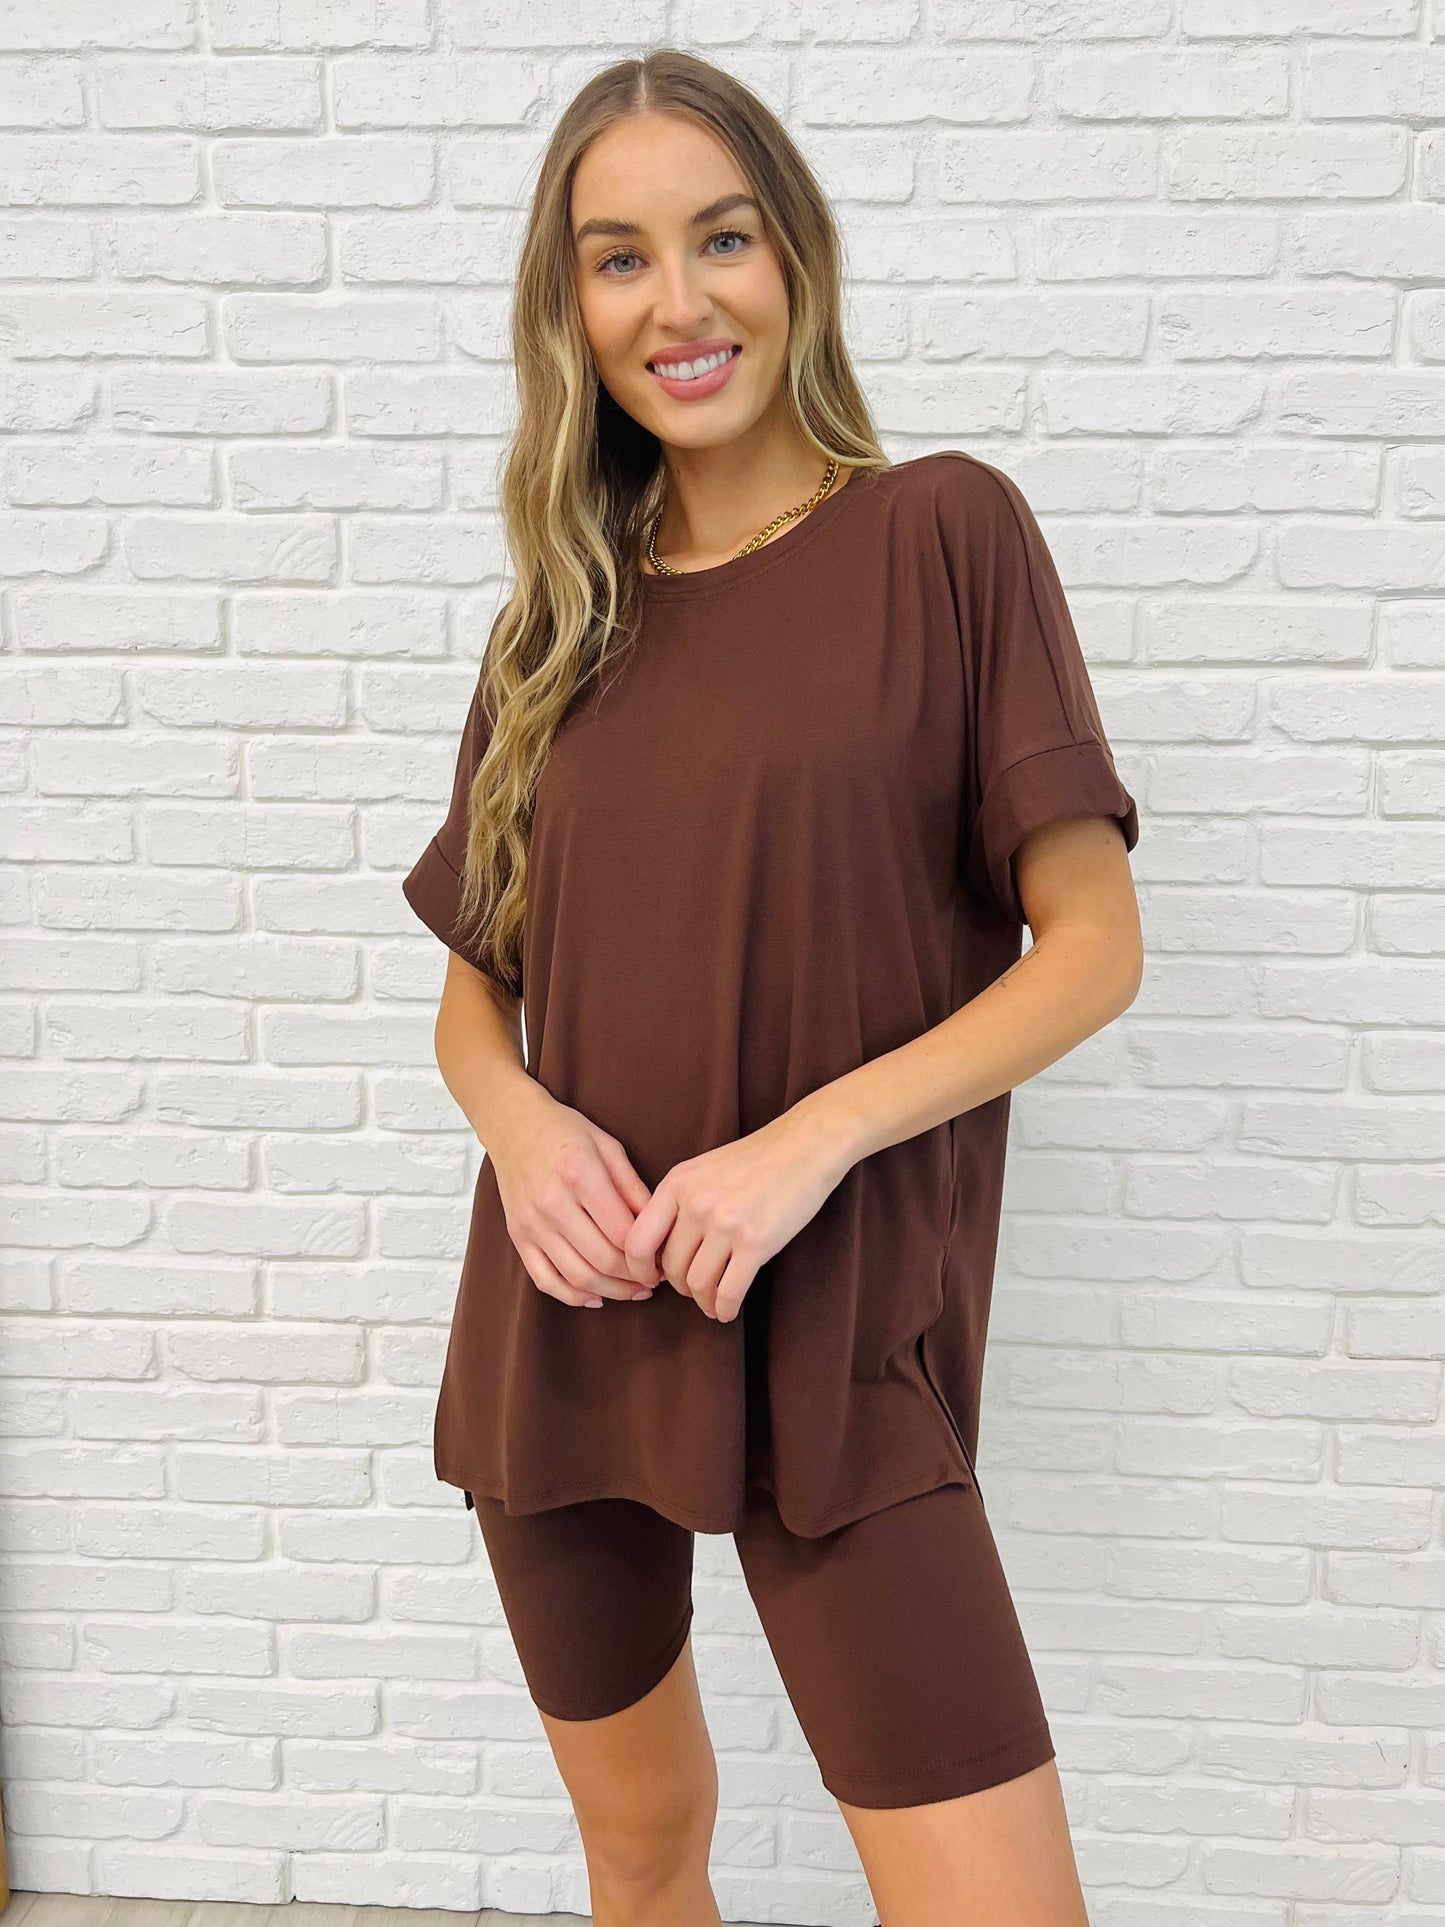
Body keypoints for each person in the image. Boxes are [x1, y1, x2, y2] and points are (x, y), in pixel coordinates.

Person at [400, 47, 1141, 1927]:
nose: (678, 302)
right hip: (569, 1321)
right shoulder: (553, 628)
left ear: (792, 257)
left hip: (839, 1337)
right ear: (570, 309)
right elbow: (476, 996)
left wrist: (806, 1143)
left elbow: (1092, 945)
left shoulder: (943, 535)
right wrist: (522, 1130)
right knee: (641, 1857)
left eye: (719, 238)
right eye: (618, 257)